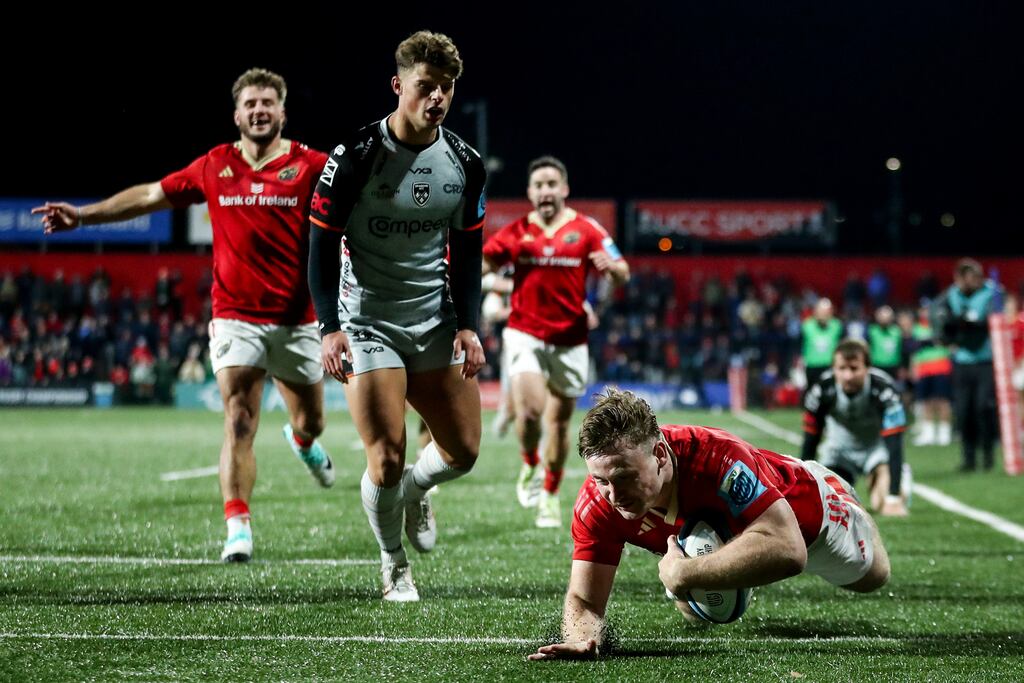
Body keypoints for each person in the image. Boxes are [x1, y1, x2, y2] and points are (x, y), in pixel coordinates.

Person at [32, 68, 335, 563]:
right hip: (235, 316)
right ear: (237, 115)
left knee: (314, 420)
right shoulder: (215, 165)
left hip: (298, 319)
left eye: (268, 103)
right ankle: (238, 525)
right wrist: (83, 215)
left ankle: (302, 441)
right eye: (250, 104)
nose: (259, 111)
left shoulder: (311, 165)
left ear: (282, 112)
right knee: (239, 418)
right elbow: (151, 195)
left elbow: (359, 201)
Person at [307, 30, 486, 602]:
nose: (436, 98)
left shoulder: (465, 164)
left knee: (464, 452)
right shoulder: (355, 156)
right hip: (368, 322)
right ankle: (394, 564)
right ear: (398, 85)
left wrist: (468, 323)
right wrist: (329, 327)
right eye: (425, 86)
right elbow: (319, 246)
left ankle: (414, 492)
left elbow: (470, 251)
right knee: (384, 458)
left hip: (433, 318)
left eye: (446, 89)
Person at [530, 388, 891, 661]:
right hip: (722, 531)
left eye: (623, 477)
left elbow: (789, 550)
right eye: (600, 480)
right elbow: (584, 599)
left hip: (808, 516)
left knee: (873, 576)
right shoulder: (597, 503)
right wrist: (580, 636)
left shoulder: (717, 459)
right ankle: (731, 558)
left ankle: (836, 490)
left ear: (658, 455)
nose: (612, 493)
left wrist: (685, 574)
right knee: (698, 611)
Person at [483, 156, 629, 527]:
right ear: (530, 193)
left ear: (564, 189)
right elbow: (481, 265)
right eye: (539, 185)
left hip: (570, 339)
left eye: (552, 184)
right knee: (530, 411)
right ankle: (530, 462)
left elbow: (622, 270)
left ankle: (549, 493)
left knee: (560, 423)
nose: (545, 191)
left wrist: (613, 271)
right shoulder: (516, 232)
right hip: (524, 332)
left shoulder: (587, 229)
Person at [800, 339, 909, 516]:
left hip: (875, 450)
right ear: (833, 368)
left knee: (885, 506)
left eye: (854, 368)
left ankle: (894, 480)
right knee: (832, 507)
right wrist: (803, 490)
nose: (847, 376)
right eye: (842, 368)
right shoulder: (821, 390)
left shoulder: (884, 389)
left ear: (867, 368)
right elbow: (810, 440)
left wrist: (893, 498)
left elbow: (895, 443)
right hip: (839, 452)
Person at [932, 259, 1004, 471]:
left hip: (985, 360)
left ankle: (988, 456)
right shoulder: (951, 294)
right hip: (962, 361)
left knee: (983, 407)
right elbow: (938, 317)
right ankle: (968, 458)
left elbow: (988, 323)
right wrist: (947, 332)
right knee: (964, 411)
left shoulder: (991, 292)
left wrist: (960, 323)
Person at [801, 297, 843, 392]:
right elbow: (800, 344)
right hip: (812, 366)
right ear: (815, 311)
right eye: (820, 311)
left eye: (825, 311)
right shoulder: (807, 325)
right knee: (812, 393)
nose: (823, 314)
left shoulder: (837, 326)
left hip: (830, 366)